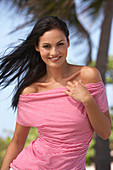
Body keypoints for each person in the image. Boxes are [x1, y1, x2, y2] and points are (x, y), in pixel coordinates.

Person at [1, 16, 111, 170]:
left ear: (68, 42)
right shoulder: (32, 91)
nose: (54, 52)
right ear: (37, 47)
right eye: (47, 46)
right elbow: (18, 141)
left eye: (60, 44)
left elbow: (105, 132)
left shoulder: (88, 76)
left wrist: (87, 100)